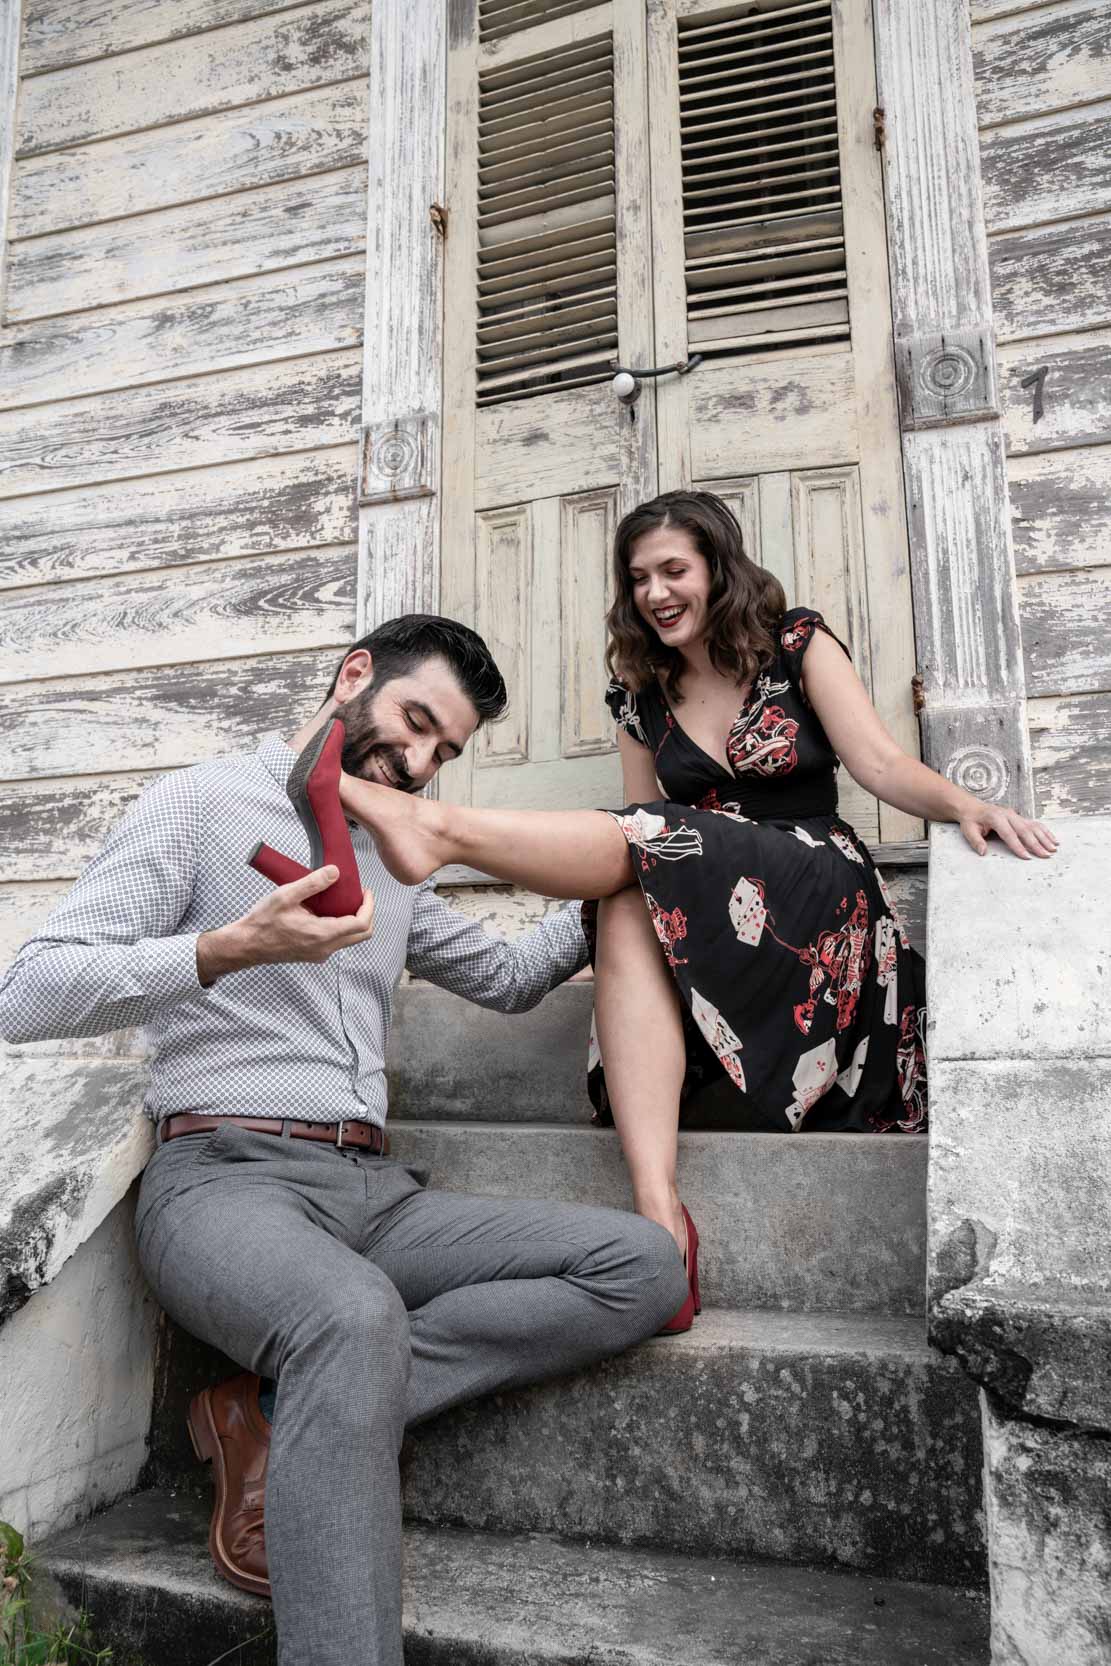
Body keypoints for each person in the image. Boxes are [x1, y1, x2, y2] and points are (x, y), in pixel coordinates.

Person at [0, 614, 688, 1666]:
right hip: (221, 1180)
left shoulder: (399, 851)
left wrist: (634, 865)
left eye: (442, 751)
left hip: (372, 1193)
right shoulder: (199, 803)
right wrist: (223, 949)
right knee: (351, 1318)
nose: (415, 761)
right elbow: (29, 992)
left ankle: (279, 1411)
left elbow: (504, 978)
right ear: (353, 673)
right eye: (415, 722)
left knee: (639, 1264)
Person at [335, 492, 1058, 1327]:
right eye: (637, 577)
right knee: (634, 882)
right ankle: (657, 1214)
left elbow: (882, 764)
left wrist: (963, 804)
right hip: (709, 904)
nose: (654, 591)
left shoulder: (795, 644)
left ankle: (440, 830)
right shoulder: (638, 696)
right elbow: (638, 836)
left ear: (718, 567)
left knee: (656, 845)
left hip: (814, 893)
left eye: (673, 569)